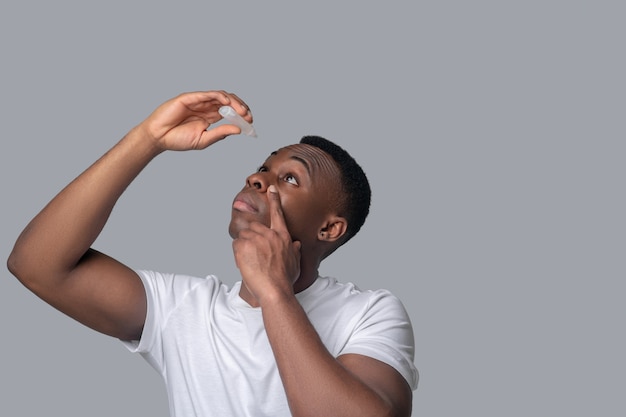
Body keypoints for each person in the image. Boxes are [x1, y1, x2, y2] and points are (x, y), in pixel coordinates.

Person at [7, 90, 418, 417]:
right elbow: (36, 264)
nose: (256, 178)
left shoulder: (370, 313)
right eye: (263, 167)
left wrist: (275, 292)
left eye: (290, 178)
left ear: (329, 229)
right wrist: (147, 138)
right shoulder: (184, 310)